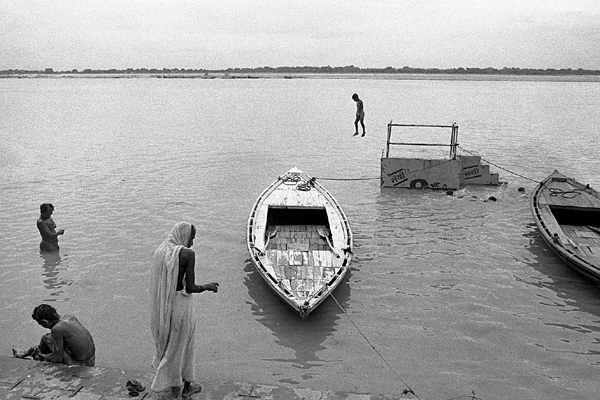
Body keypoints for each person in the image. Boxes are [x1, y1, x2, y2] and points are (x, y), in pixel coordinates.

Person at [150, 222, 219, 398]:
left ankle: (174, 384)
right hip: (182, 305)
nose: (192, 242)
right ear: (184, 235)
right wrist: (208, 286)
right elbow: (190, 288)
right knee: (185, 344)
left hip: (166, 305)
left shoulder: (161, 252)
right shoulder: (187, 254)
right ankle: (186, 385)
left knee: (170, 343)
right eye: (192, 238)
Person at [12, 304, 96, 366]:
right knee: (50, 338)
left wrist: (42, 355)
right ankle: (28, 352)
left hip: (80, 365)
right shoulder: (70, 317)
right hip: (91, 360)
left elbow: (57, 358)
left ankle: (33, 353)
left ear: (45, 322)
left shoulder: (57, 329)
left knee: (46, 338)